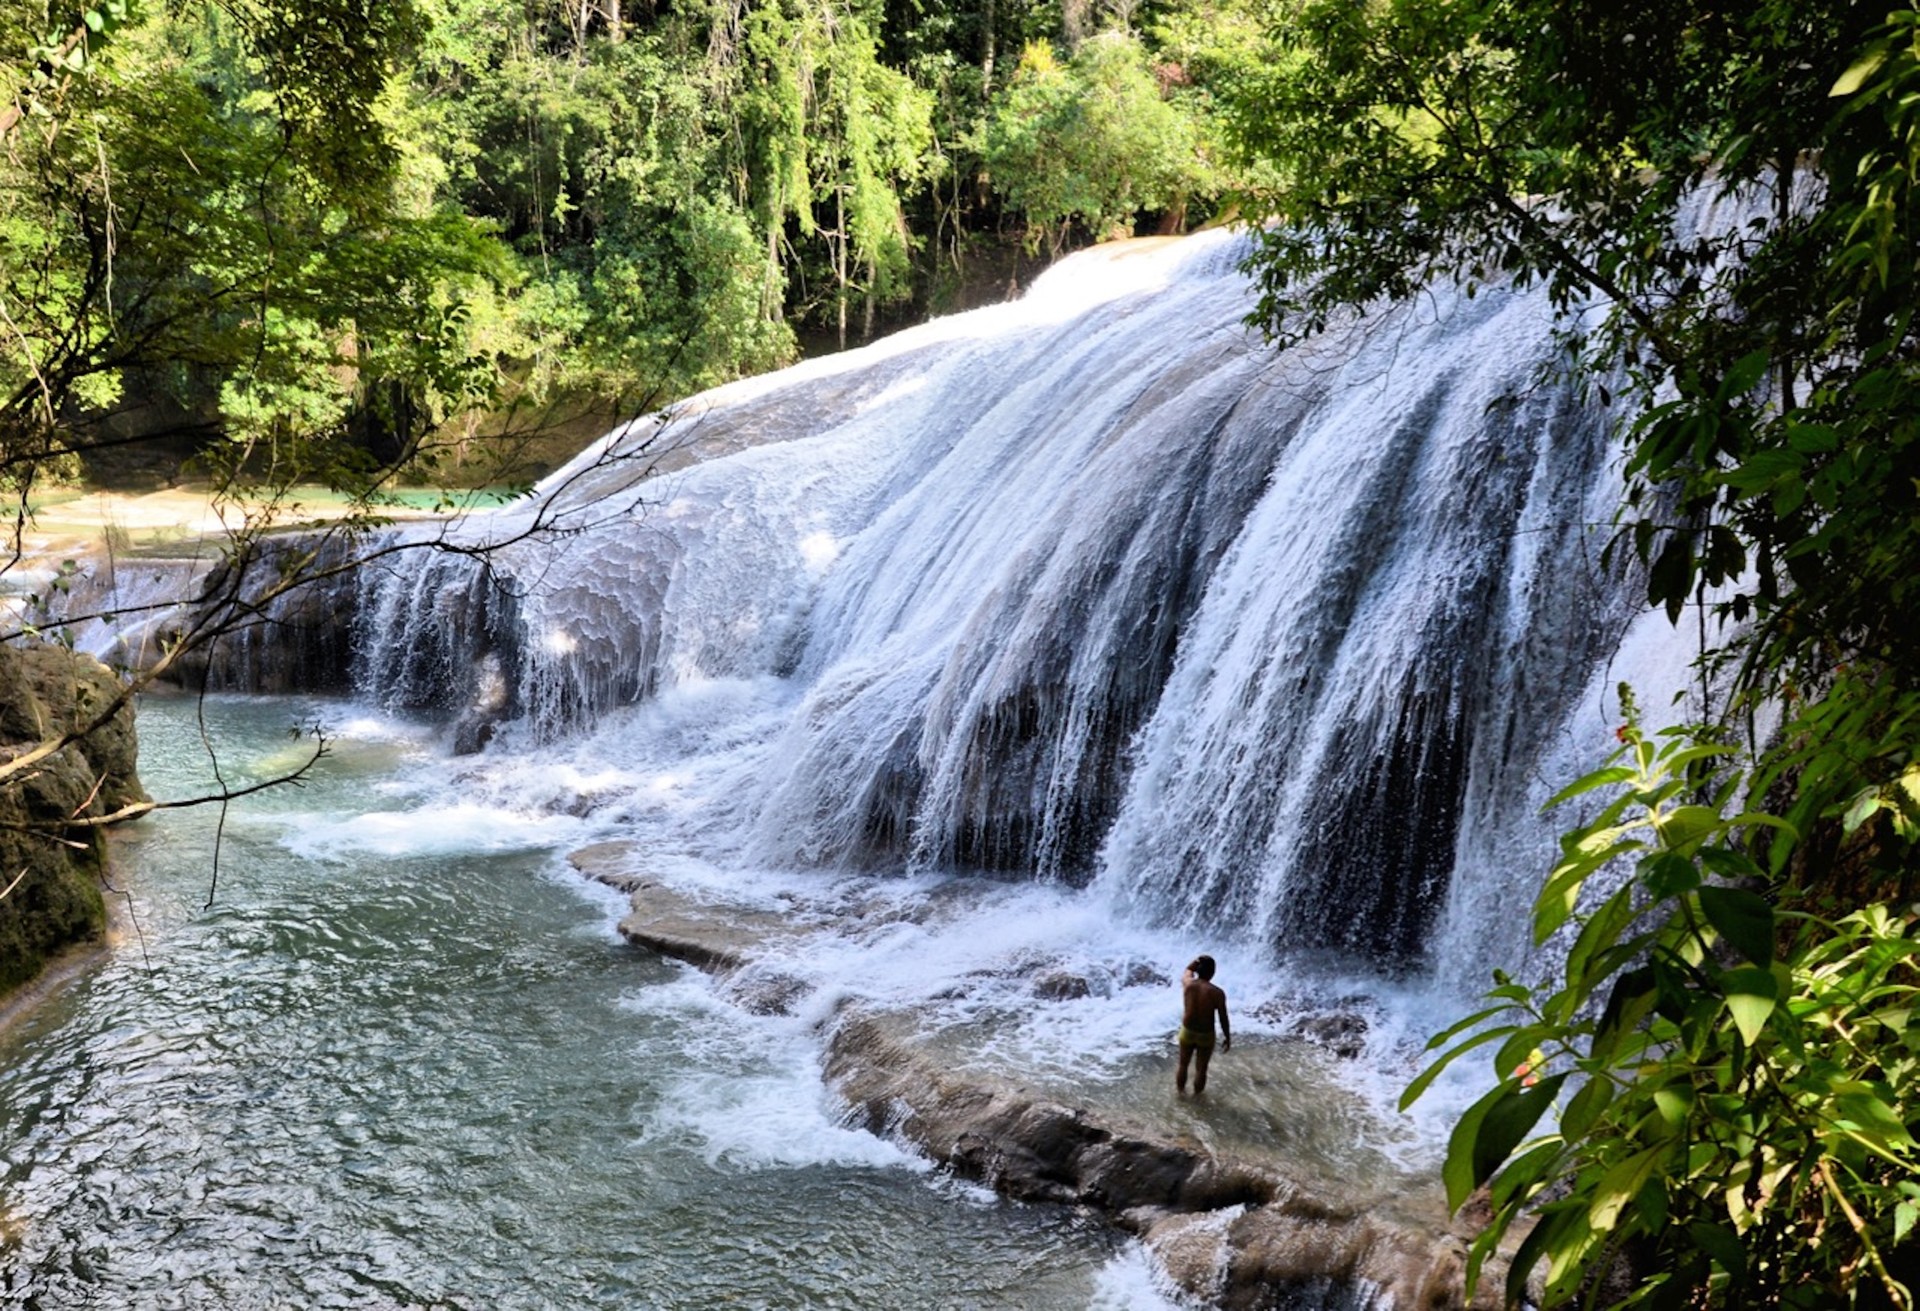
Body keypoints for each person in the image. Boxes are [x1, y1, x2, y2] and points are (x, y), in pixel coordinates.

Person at [1176, 954, 1230, 1095]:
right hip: (1206, 1034)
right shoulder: (1217, 993)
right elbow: (1223, 1017)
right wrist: (1227, 1037)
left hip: (1187, 1031)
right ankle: (1197, 1099)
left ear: (1198, 970)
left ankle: (1180, 1094)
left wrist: (1196, 961)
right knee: (1201, 1069)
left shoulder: (1188, 984)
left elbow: (1187, 970)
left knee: (1183, 1065)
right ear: (1213, 972)